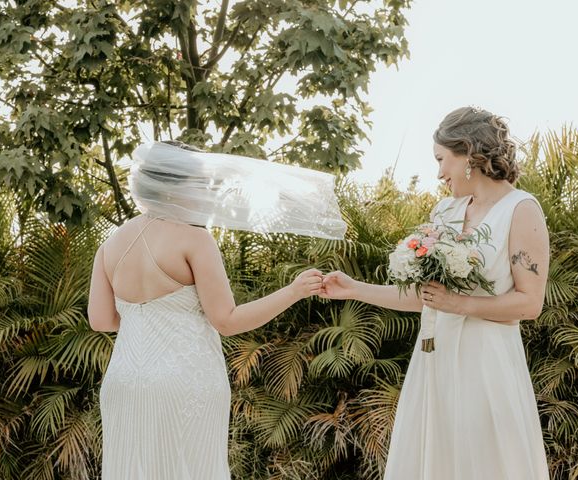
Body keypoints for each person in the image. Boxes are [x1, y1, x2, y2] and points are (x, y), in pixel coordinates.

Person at [321, 107, 550, 479]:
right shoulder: (445, 211)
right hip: (434, 360)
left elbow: (529, 303)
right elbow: (423, 298)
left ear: (470, 155)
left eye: (442, 160)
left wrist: (457, 304)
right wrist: (352, 288)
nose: (439, 172)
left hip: (486, 365)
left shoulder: (520, 210)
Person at [88, 141, 326, 480]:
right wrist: (293, 291)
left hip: (123, 382)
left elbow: (101, 321)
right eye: (197, 182)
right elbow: (226, 321)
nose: (204, 191)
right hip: (183, 380)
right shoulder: (194, 239)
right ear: (174, 185)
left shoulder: (109, 245)